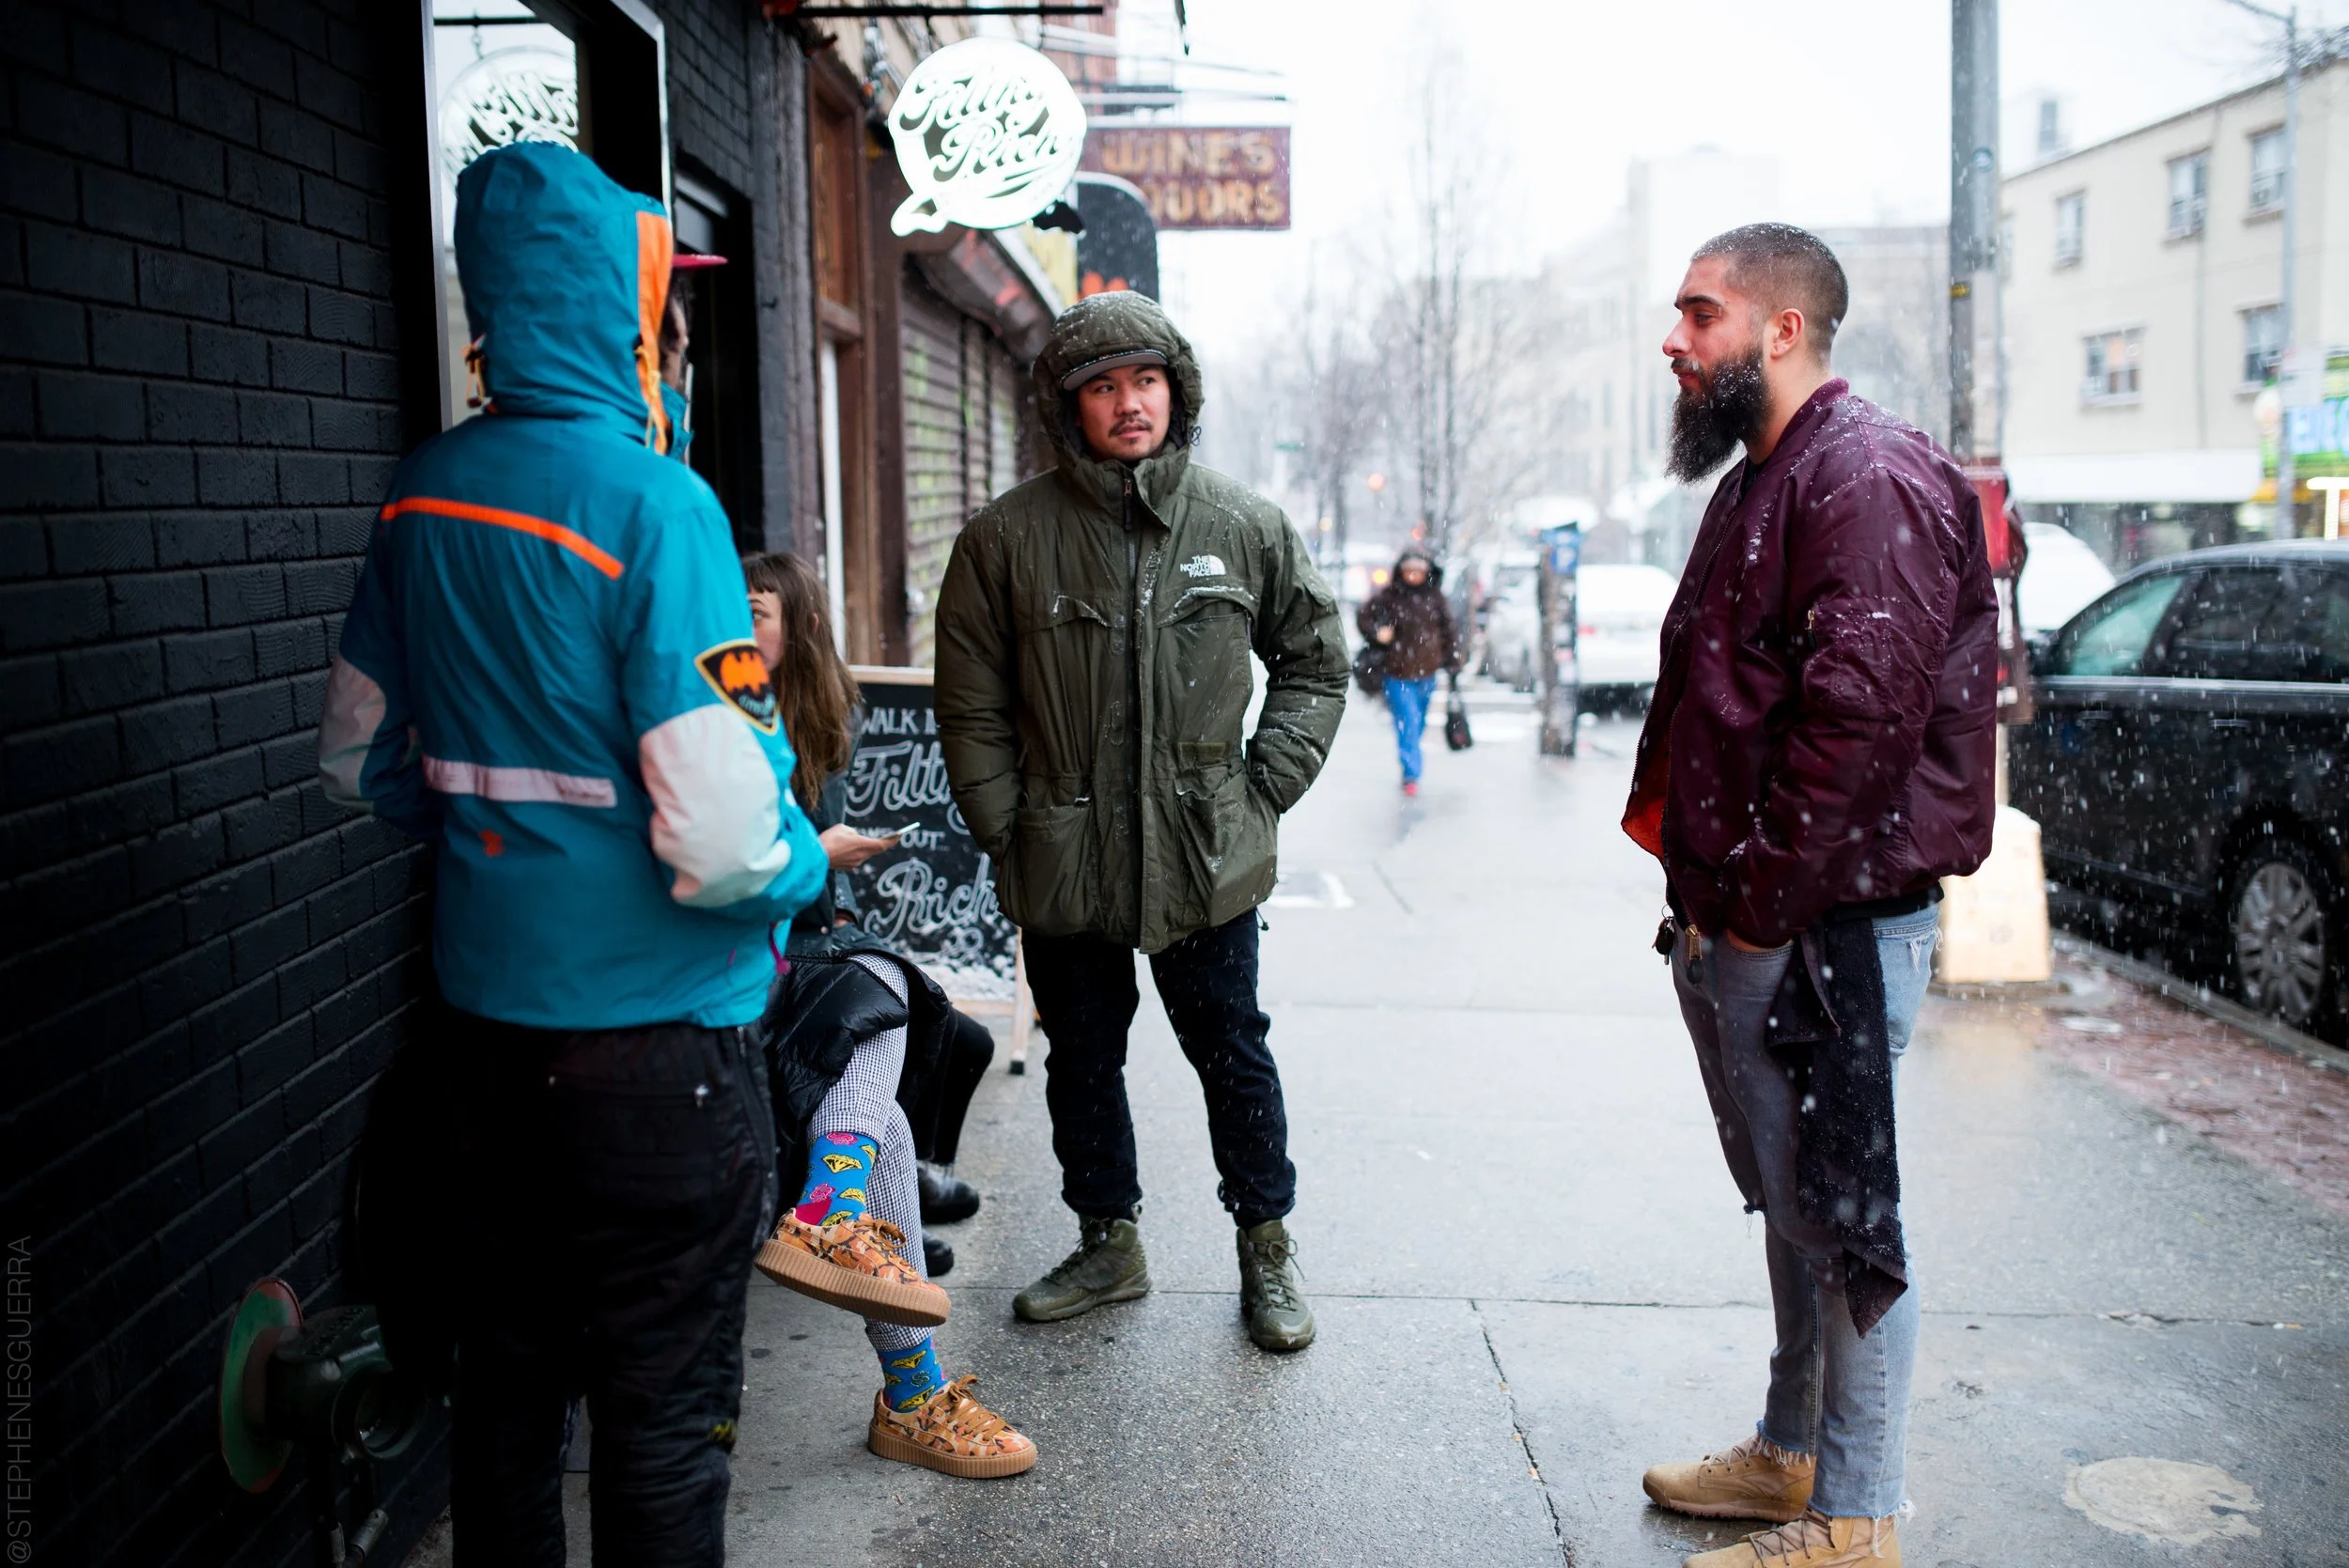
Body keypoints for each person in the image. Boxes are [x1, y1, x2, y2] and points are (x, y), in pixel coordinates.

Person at [316, 142, 826, 1566]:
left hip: (484, 1048)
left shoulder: (422, 493)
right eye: (660, 319)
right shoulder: (658, 507)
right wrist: (804, 870)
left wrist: (495, 841)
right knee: (663, 1428)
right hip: (662, 1055)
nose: (670, 348)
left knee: (508, 1406)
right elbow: (727, 842)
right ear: (616, 319)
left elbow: (356, 757)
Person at [1621, 225, 1996, 1568]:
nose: (1675, 339)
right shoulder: (1766, 477)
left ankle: (1855, 1518)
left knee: (1844, 1215)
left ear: (1781, 331)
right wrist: (1716, 905)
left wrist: (1763, 906)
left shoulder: (1865, 473)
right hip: (1757, 915)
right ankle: (1792, 1456)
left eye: (1699, 314)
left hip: (1820, 925)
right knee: (1796, 1205)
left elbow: (1859, 724)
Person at [934, 290, 1349, 1353]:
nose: (1129, 404)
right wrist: (1002, 820)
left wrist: (1263, 788)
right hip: (1062, 847)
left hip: (1207, 850)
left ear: (1178, 390)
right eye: (1104, 387)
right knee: (1082, 1054)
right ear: (1067, 407)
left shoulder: (1241, 525)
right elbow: (971, 697)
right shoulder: (1003, 540)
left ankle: (1265, 1247)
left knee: (1232, 1053)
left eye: (1146, 381)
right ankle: (1106, 1239)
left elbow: (1313, 662)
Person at [741, 551, 1036, 1478]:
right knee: (885, 985)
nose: (739, 628)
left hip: (768, 968)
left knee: (894, 1124)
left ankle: (908, 1388)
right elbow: (727, 874)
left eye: (756, 611)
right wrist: (817, 860)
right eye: (732, 609)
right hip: (721, 991)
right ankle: (834, 1218)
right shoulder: (712, 721)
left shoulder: (796, 723)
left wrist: (817, 873)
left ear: (799, 626)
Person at [1357, 549, 1462, 795]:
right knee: (1408, 720)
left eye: (1419, 571)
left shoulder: (1435, 598)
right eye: (1409, 571)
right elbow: (1364, 617)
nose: (1413, 576)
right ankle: (1411, 772)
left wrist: (1453, 659)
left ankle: (1410, 759)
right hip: (1397, 672)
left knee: (1418, 720)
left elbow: (1448, 631)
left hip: (1428, 672)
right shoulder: (1389, 596)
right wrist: (1378, 632)